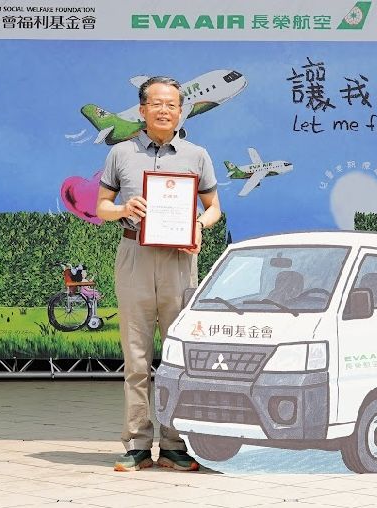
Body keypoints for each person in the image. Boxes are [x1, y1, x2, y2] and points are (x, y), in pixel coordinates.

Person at [96, 76, 222, 472]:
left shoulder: (197, 155)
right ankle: (136, 443)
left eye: (171, 104)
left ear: (181, 111)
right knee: (136, 357)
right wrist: (123, 209)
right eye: (156, 103)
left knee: (177, 358)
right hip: (135, 253)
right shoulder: (121, 153)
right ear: (143, 109)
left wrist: (198, 226)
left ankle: (174, 444)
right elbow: (101, 206)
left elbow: (214, 208)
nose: (164, 110)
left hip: (179, 261)